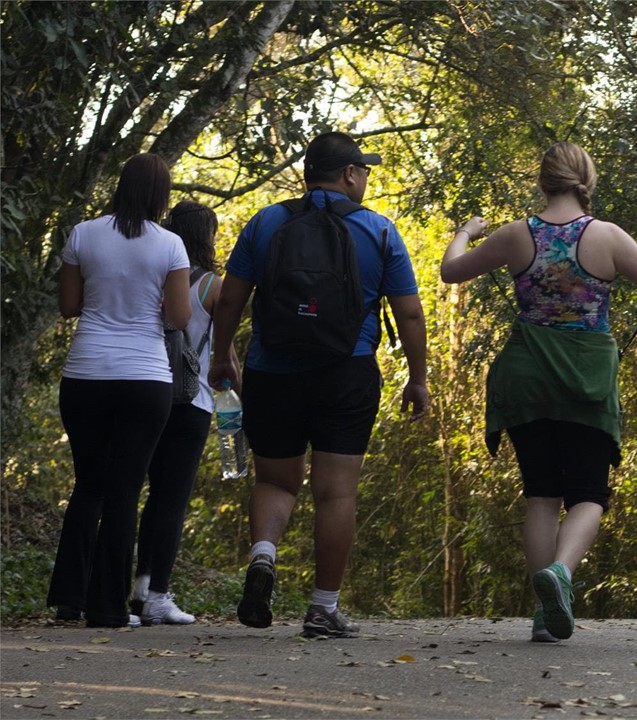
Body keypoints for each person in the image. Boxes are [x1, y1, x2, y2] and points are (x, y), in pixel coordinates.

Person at [440, 141, 637, 642]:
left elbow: (451, 271)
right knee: (588, 492)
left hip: (526, 376)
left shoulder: (516, 235)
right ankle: (561, 573)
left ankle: (544, 614)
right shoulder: (607, 237)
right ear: (587, 180)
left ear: (543, 181)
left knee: (541, 492)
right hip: (586, 378)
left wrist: (465, 233)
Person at [210, 131, 429, 639]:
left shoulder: (266, 222)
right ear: (349, 174)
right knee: (336, 494)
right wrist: (417, 379)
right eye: (365, 171)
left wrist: (222, 357)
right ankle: (322, 609)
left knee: (274, 481)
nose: (367, 179)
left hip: (272, 370)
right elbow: (411, 313)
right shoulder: (378, 232)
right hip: (346, 374)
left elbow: (229, 300)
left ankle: (264, 558)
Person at [47, 153, 192, 628]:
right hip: (144, 377)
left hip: (86, 372)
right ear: (161, 195)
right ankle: (108, 609)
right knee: (126, 490)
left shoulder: (83, 234)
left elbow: (69, 306)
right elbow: (178, 318)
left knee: (89, 486)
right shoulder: (170, 245)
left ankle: (70, 598)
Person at [130, 201, 231, 626]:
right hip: (192, 400)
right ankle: (156, 594)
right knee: (170, 500)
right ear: (207, 237)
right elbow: (225, 352)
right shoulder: (214, 286)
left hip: (145, 389)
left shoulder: (154, 275)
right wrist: (238, 401)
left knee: (130, 494)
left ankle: (131, 591)